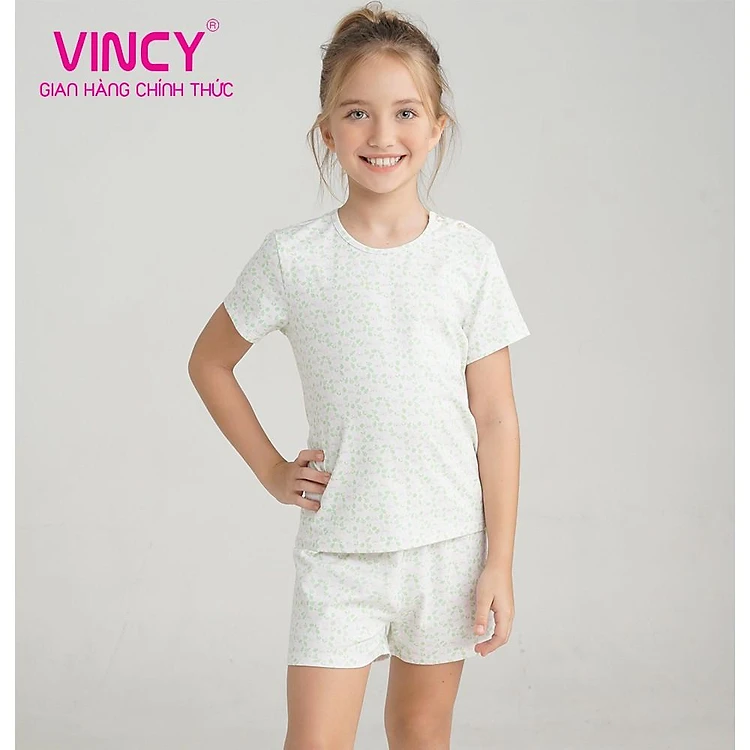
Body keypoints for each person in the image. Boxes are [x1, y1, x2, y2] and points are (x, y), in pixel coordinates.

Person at [188, 2, 531, 747]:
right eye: (357, 113)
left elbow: (496, 416)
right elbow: (209, 362)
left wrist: (498, 561)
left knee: (419, 728)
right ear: (327, 131)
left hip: (446, 549)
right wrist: (271, 469)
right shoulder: (293, 258)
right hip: (340, 551)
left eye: (405, 112)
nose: (382, 135)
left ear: (436, 128)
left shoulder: (468, 258)